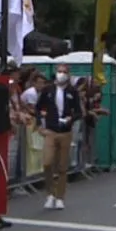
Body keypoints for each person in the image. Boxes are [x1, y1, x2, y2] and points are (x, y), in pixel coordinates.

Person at [35, 63, 82, 209]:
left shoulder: (72, 91)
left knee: (62, 166)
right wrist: (39, 124)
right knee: (48, 163)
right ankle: (50, 193)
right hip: (50, 130)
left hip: (65, 132)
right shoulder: (48, 90)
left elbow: (79, 112)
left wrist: (71, 118)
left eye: (64, 72)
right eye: (59, 71)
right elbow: (37, 108)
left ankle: (60, 196)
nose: (61, 74)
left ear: (68, 75)